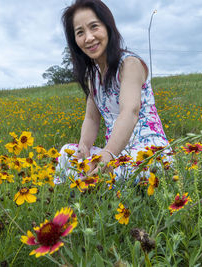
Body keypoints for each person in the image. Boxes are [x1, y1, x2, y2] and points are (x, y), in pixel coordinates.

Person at [55, 0, 171, 184]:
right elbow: (92, 119)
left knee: (111, 173)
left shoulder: (130, 64)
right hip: (118, 152)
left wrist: (108, 155)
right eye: (80, 33)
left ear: (108, 27)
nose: (89, 38)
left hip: (149, 154)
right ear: (75, 41)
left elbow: (129, 112)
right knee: (66, 154)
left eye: (94, 27)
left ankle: (90, 195)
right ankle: (69, 200)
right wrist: (84, 148)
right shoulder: (92, 77)